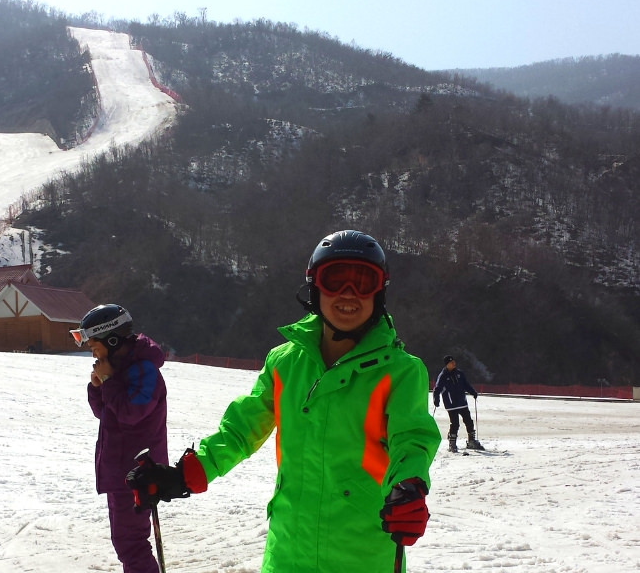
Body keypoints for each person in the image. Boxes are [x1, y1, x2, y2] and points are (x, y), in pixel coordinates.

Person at [125, 230, 441, 573]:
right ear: (315, 288)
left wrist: (408, 486)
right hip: (288, 549)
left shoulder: (402, 372)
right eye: (335, 280)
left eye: (363, 282)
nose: (348, 294)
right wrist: (186, 473)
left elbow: (412, 440)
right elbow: (241, 430)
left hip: (364, 552)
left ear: (379, 291)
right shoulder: (285, 362)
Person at [70, 304, 168, 573]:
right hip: (121, 473)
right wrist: (97, 386)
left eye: (94, 345)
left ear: (112, 341)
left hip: (138, 474)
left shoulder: (144, 371)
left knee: (131, 544)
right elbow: (104, 413)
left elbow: (131, 413)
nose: (92, 352)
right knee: (126, 542)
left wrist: (110, 382)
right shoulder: (121, 371)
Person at [433, 355, 484, 452]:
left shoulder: (459, 373)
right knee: (455, 423)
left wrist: (473, 392)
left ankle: (471, 441)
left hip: (462, 402)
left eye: (454, 362)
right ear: (447, 364)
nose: (453, 363)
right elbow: (437, 388)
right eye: (451, 362)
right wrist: (436, 399)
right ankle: (452, 443)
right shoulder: (443, 375)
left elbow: (466, 385)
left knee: (469, 421)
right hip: (451, 404)